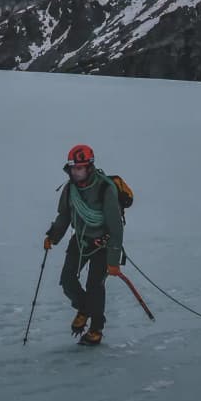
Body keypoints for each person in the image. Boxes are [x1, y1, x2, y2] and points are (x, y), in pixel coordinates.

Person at [43, 144, 125, 345]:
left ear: (89, 167)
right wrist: (53, 236)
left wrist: (113, 261)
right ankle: (85, 308)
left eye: (80, 168)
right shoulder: (70, 189)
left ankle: (96, 328)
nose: (76, 172)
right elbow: (64, 215)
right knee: (67, 280)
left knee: (95, 286)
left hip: (102, 244)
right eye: (73, 168)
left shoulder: (105, 189)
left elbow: (116, 228)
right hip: (79, 240)